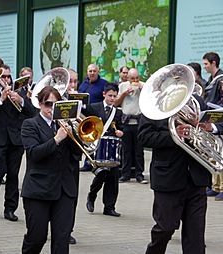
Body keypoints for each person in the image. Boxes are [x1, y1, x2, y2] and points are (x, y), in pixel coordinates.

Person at [138, 112, 212, 254]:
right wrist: (174, 135)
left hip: (197, 178)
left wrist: (204, 129)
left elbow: (209, 132)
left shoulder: (196, 104)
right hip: (168, 178)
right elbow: (144, 137)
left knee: (195, 234)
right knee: (165, 229)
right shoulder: (155, 108)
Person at [21, 86, 81, 254]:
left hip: (64, 189)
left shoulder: (65, 125)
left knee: (62, 239)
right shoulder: (30, 124)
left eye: (57, 105)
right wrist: (57, 139)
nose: (52, 108)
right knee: (37, 237)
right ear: (40, 104)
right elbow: (34, 154)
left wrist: (75, 134)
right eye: (48, 104)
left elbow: (77, 154)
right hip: (38, 189)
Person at [0, 64, 36, 221]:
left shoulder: (18, 93)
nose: (6, 79)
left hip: (16, 139)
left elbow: (32, 112)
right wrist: (1, 99)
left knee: (13, 174)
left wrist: (22, 101)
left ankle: (10, 208)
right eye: (3, 76)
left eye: (8, 77)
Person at [84, 84, 123, 217]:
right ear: (104, 94)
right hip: (97, 146)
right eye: (110, 95)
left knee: (113, 178)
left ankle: (109, 207)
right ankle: (92, 195)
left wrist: (120, 132)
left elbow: (121, 127)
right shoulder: (94, 107)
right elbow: (83, 116)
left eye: (114, 96)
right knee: (102, 174)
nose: (112, 98)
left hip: (112, 149)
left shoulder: (118, 112)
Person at [115, 68, 147, 184]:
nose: (135, 80)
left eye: (137, 78)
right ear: (128, 78)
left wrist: (142, 90)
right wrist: (124, 94)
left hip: (138, 121)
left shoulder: (143, 85)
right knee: (126, 150)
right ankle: (125, 174)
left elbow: (149, 99)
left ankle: (139, 174)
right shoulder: (123, 86)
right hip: (126, 121)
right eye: (132, 78)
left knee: (139, 150)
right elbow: (116, 102)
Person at [78, 64, 108, 172]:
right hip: (83, 116)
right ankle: (87, 162)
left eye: (94, 71)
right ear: (87, 72)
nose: (92, 73)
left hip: (97, 116)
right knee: (87, 140)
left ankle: (95, 162)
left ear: (98, 72)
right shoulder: (83, 84)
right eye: (90, 71)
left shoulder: (104, 84)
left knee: (96, 140)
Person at [67, 68, 80, 245]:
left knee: (71, 196)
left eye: (75, 81)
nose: (72, 85)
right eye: (70, 81)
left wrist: (79, 103)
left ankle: (67, 229)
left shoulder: (80, 99)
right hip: (51, 155)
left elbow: (94, 116)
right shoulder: (51, 99)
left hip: (71, 157)